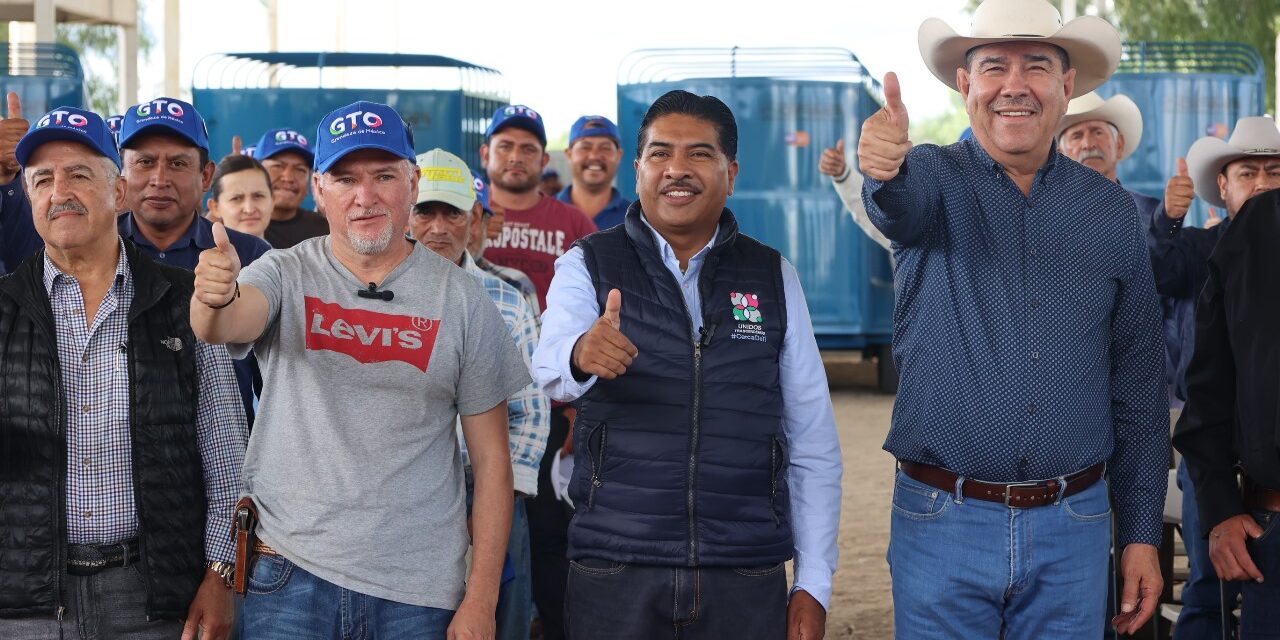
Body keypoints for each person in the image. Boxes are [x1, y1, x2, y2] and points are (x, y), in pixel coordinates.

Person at [858, 0, 1168, 636]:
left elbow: (1138, 382)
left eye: (1037, 66)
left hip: (1075, 530)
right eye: (994, 66)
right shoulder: (929, 176)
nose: (1015, 85)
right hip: (941, 522)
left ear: (1067, 85)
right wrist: (882, 169)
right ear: (966, 84)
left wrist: (1139, 533)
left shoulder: (1109, 213)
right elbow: (896, 207)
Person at [190, 100, 529, 639]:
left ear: (412, 183)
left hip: (419, 593)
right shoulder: (284, 270)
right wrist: (214, 294)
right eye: (345, 178)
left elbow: (492, 463)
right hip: (288, 576)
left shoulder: (464, 300)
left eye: (383, 176)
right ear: (319, 191)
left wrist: (482, 597)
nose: (365, 196)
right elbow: (225, 322)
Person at [533, 89, 843, 640]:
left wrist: (813, 584)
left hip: (744, 571)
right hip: (615, 568)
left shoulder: (773, 276)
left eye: (699, 153)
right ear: (638, 168)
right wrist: (583, 352)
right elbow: (550, 365)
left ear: (731, 171)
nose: (677, 169)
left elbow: (813, 438)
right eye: (660, 153)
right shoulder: (588, 262)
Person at [0, 106, 246, 639]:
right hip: (25, 605)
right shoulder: (3, 309)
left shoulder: (182, 300)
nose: (59, 191)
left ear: (118, 194)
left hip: (153, 598)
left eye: (80, 174)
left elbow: (225, 450)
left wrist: (220, 573)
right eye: (42, 179)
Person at [410, 147, 549, 640]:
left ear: (475, 221)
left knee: (493, 624)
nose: (439, 226)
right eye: (425, 211)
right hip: (399, 498)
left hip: (488, 493)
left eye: (453, 212)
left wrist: (500, 498)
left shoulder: (507, 300)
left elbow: (531, 411)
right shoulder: (370, 294)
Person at [1155, 116, 1280, 637]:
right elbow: (1156, 269)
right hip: (1237, 469)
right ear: (1222, 188)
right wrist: (1168, 218)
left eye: (1273, 171)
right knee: (1209, 582)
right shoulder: (1205, 249)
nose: (1262, 184)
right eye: (1247, 173)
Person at [479, 104, 596, 638]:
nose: (517, 157)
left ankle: (549, 626)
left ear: (542, 157)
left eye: (529, 148)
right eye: (506, 146)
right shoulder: (461, 210)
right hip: (470, 398)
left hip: (548, 404)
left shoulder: (572, 223)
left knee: (549, 528)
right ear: (486, 155)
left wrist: (575, 406)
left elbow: (591, 316)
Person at [469, 170, 542, 322]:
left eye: (474, 218)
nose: (461, 229)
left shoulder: (516, 285)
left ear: (487, 224)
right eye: (427, 213)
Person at [253, 128, 329, 248]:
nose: (288, 178)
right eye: (277, 166)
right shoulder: (233, 225)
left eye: (300, 169)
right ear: (255, 173)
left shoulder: (327, 231)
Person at [557, 115, 631, 230]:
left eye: (605, 148)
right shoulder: (544, 213)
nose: (594, 156)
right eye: (585, 147)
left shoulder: (635, 220)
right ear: (569, 154)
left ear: (618, 155)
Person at [207, 154, 274, 240]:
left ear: (272, 201)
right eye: (236, 198)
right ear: (215, 207)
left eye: (258, 196)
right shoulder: (197, 253)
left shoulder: (291, 253)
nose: (249, 210)